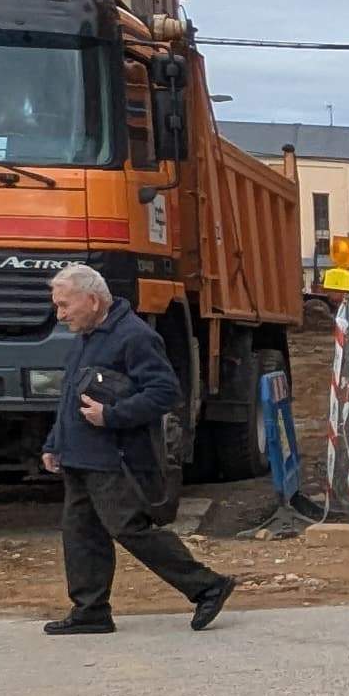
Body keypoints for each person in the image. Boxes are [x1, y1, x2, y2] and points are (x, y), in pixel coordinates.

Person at [40, 263, 235, 636]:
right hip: (80, 456)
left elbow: (165, 392)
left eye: (64, 305)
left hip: (114, 457)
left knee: (130, 529)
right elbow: (69, 398)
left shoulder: (134, 337)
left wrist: (111, 416)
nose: (60, 314)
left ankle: (207, 586)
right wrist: (55, 443)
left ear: (92, 300)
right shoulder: (85, 337)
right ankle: (90, 611)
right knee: (81, 534)